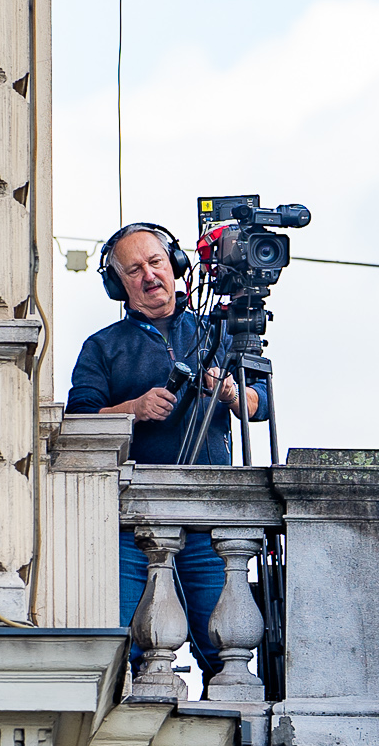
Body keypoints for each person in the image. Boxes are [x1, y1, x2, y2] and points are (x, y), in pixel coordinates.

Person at [65, 221, 271, 683]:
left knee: (223, 649)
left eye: (156, 262)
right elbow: (78, 422)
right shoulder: (102, 347)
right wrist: (132, 410)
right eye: (134, 269)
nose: (149, 275)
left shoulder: (218, 333)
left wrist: (230, 392)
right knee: (126, 647)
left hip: (210, 519)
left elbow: (261, 405)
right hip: (133, 523)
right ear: (118, 284)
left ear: (174, 266)